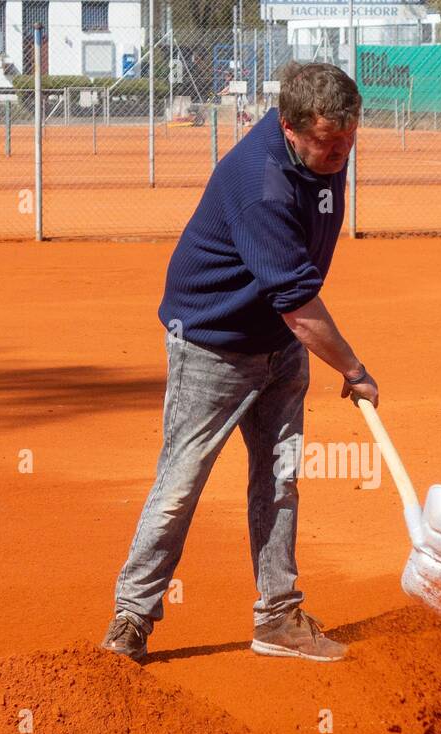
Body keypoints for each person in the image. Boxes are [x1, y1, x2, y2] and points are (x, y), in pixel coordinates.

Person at [102, 62, 378, 665]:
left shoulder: (326, 150)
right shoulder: (261, 186)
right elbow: (300, 305)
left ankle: (277, 617)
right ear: (287, 127)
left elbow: (295, 298)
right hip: (213, 342)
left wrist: (300, 340)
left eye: (347, 141)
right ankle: (131, 619)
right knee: (180, 483)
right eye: (326, 143)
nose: (338, 154)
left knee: (279, 479)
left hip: (279, 342)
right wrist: (353, 370)